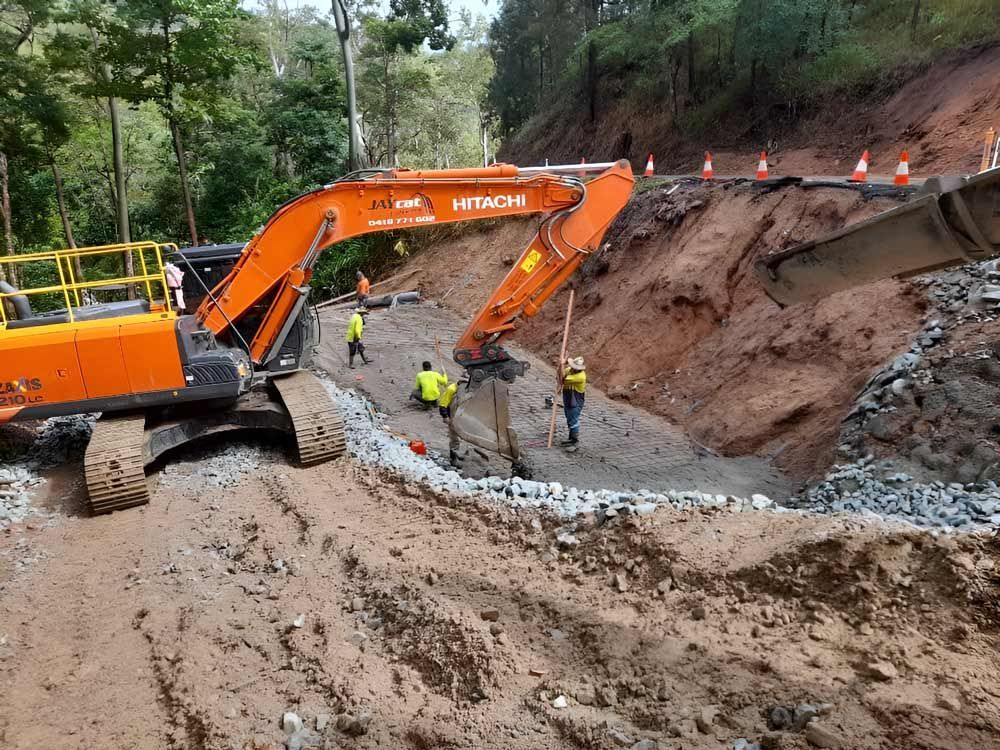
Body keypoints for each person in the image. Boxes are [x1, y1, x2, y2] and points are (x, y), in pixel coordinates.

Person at [561, 356, 587, 446]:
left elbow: (563, 379)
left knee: (573, 420)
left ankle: (574, 440)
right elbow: (561, 373)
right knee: (569, 418)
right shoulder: (569, 370)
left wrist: (561, 365)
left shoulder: (580, 376)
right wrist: (561, 365)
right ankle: (571, 437)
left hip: (575, 401)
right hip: (568, 398)